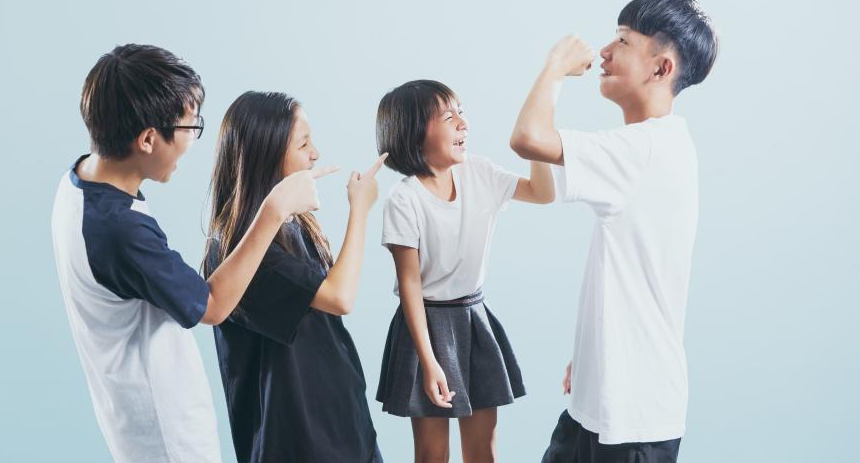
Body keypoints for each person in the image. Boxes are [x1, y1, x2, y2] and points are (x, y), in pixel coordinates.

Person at [51, 46, 333, 463]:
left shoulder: (79, 183)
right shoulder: (120, 229)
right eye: (188, 127)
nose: (190, 141)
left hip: (132, 420)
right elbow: (212, 305)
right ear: (148, 138)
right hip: (165, 435)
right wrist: (273, 210)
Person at [509, 0, 719, 462]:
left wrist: (554, 68)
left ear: (661, 68)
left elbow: (527, 139)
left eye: (622, 41)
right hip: (603, 400)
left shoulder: (642, 149)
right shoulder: (659, 144)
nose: (604, 52)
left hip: (634, 419)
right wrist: (590, 356)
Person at [374, 79, 555, 462]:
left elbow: (542, 193)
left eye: (462, 112)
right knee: (431, 453)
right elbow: (409, 284)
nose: (462, 123)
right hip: (425, 325)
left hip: (474, 320)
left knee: (483, 449)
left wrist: (536, 142)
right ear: (414, 133)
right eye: (447, 116)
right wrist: (428, 360)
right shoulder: (404, 199)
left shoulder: (479, 172)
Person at [202, 91, 385, 463]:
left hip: (342, 427)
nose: (315, 153)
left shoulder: (292, 227)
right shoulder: (245, 250)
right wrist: (360, 209)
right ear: (268, 156)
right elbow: (340, 297)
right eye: (303, 144)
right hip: (299, 442)